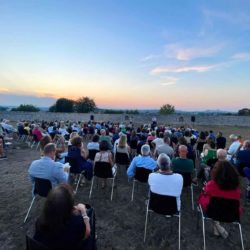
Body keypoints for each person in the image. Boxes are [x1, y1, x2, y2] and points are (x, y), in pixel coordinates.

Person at [34, 183, 95, 250]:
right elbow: (87, 233)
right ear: (69, 206)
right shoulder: (77, 223)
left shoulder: (40, 221)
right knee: (90, 211)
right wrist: (84, 213)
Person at [198, 160, 241, 239]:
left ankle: (217, 226)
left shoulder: (212, 184)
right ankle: (217, 228)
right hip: (231, 214)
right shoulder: (237, 188)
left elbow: (205, 195)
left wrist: (204, 190)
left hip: (213, 212)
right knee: (216, 203)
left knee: (206, 200)